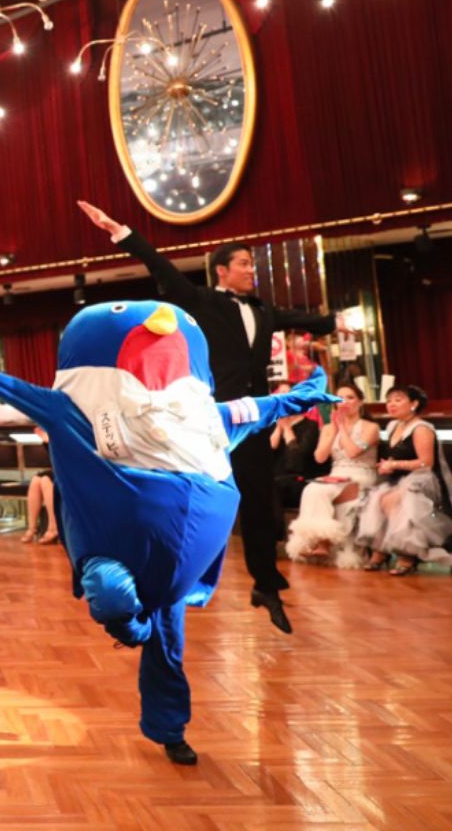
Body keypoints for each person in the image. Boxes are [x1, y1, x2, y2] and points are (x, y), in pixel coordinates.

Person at [0, 303, 337, 766]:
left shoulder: (206, 420)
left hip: (172, 563)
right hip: (111, 549)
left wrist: (312, 390)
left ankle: (170, 730)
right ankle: (132, 628)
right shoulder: (73, 413)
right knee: (111, 593)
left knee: (170, 647)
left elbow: (267, 407)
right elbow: (11, 388)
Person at [79, 200, 345, 634]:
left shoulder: (263, 311)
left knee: (259, 500)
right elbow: (161, 268)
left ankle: (265, 582)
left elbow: (312, 321)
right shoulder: (202, 301)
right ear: (221, 270)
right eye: (243, 263)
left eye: (251, 264)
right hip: (209, 420)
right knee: (195, 499)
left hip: (251, 418)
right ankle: (168, 580)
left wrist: (336, 323)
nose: (250, 270)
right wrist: (120, 232)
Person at [358, 385, 452, 575]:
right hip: (398, 477)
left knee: (396, 499)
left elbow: (426, 463)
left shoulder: (421, 428)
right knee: (376, 498)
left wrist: (394, 464)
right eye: (389, 401)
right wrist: (387, 465)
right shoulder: (393, 426)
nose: (391, 404)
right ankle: (381, 550)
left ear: (414, 404)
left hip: (422, 479)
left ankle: (407, 553)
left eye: (398, 400)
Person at [286, 384, 379, 568]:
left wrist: (342, 427)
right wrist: (333, 430)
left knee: (320, 491)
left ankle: (323, 543)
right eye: (340, 398)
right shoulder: (329, 428)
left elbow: (353, 452)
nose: (344, 402)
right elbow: (319, 457)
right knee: (312, 488)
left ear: (360, 402)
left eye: (350, 397)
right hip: (336, 476)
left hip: (361, 475)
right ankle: (317, 541)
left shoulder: (371, 427)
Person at [269, 391, 322, 520]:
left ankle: (275, 532)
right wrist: (279, 428)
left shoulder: (310, 426)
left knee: (272, 490)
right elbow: (267, 453)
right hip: (276, 479)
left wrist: (287, 428)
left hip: (299, 479)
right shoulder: (272, 427)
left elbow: (296, 461)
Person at [20, 427, 60, 544]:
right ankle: (32, 528)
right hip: (59, 469)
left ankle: (53, 527)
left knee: (46, 480)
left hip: (74, 471)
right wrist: (47, 442)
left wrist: (49, 442)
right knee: (36, 480)